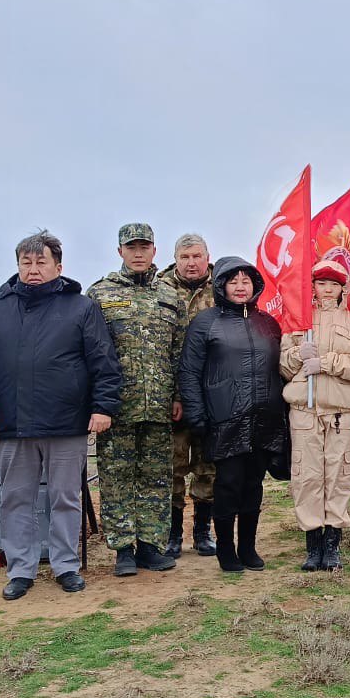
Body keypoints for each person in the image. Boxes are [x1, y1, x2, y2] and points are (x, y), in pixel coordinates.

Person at [0, 231, 121, 601]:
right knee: (16, 499)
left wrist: (103, 407)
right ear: (18, 264)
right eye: (26, 262)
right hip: (11, 424)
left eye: (41, 263)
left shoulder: (81, 307)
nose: (33, 270)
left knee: (65, 498)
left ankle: (66, 565)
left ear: (58, 266)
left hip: (66, 422)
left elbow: (103, 361)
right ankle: (21, 569)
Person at [177, 256, 288, 573]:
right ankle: (226, 548)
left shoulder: (268, 323)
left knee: (254, 485)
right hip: (225, 419)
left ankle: (248, 548)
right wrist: (197, 415)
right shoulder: (206, 322)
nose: (240, 286)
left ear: (255, 285)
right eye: (233, 280)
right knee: (227, 485)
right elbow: (189, 372)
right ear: (221, 285)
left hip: (264, 418)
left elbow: (280, 369)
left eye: (246, 280)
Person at [87, 223, 182, 578]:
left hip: (159, 406)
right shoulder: (99, 294)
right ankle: (123, 549)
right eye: (132, 247)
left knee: (157, 479)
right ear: (120, 252)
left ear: (155, 251)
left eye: (145, 246)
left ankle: (150, 546)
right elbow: (91, 353)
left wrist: (177, 396)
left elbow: (179, 351)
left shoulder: (170, 295)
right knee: (117, 478)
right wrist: (97, 403)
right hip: (116, 408)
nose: (138, 253)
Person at [280, 259, 350, 571]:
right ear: (312, 286)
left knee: (337, 475)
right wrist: (297, 354)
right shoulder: (297, 323)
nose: (327, 289)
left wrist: (327, 362)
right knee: (307, 476)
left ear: (342, 288)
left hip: (340, 412)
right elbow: (282, 367)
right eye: (321, 283)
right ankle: (313, 543)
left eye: (334, 284)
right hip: (304, 410)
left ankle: (333, 542)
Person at [158, 234, 218, 558]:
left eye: (197, 256)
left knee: (208, 466)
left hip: (211, 395)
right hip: (173, 397)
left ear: (208, 257)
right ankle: (172, 535)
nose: (191, 262)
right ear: (175, 258)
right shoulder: (160, 290)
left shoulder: (221, 289)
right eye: (185, 256)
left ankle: (202, 533)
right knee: (173, 467)